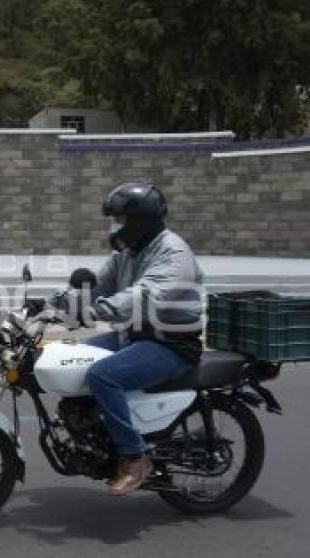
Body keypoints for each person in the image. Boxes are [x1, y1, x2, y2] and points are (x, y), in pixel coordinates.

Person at [51, 180, 203, 495]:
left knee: (103, 375)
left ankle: (135, 458)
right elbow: (97, 287)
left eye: (122, 221)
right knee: (73, 358)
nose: (117, 227)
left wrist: (97, 311)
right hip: (133, 335)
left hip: (169, 343)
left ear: (141, 221)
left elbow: (144, 295)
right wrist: (55, 302)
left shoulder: (173, 253)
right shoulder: (129, 251)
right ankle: (96, 433)